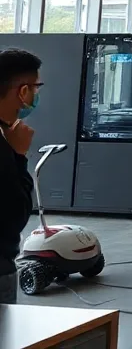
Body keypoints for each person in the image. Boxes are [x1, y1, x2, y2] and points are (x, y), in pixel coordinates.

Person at [0, 49, 39, 303]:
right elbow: (14, 215)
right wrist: (19, 155)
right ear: (23, 92)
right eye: (36, 87)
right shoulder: (6, 148)